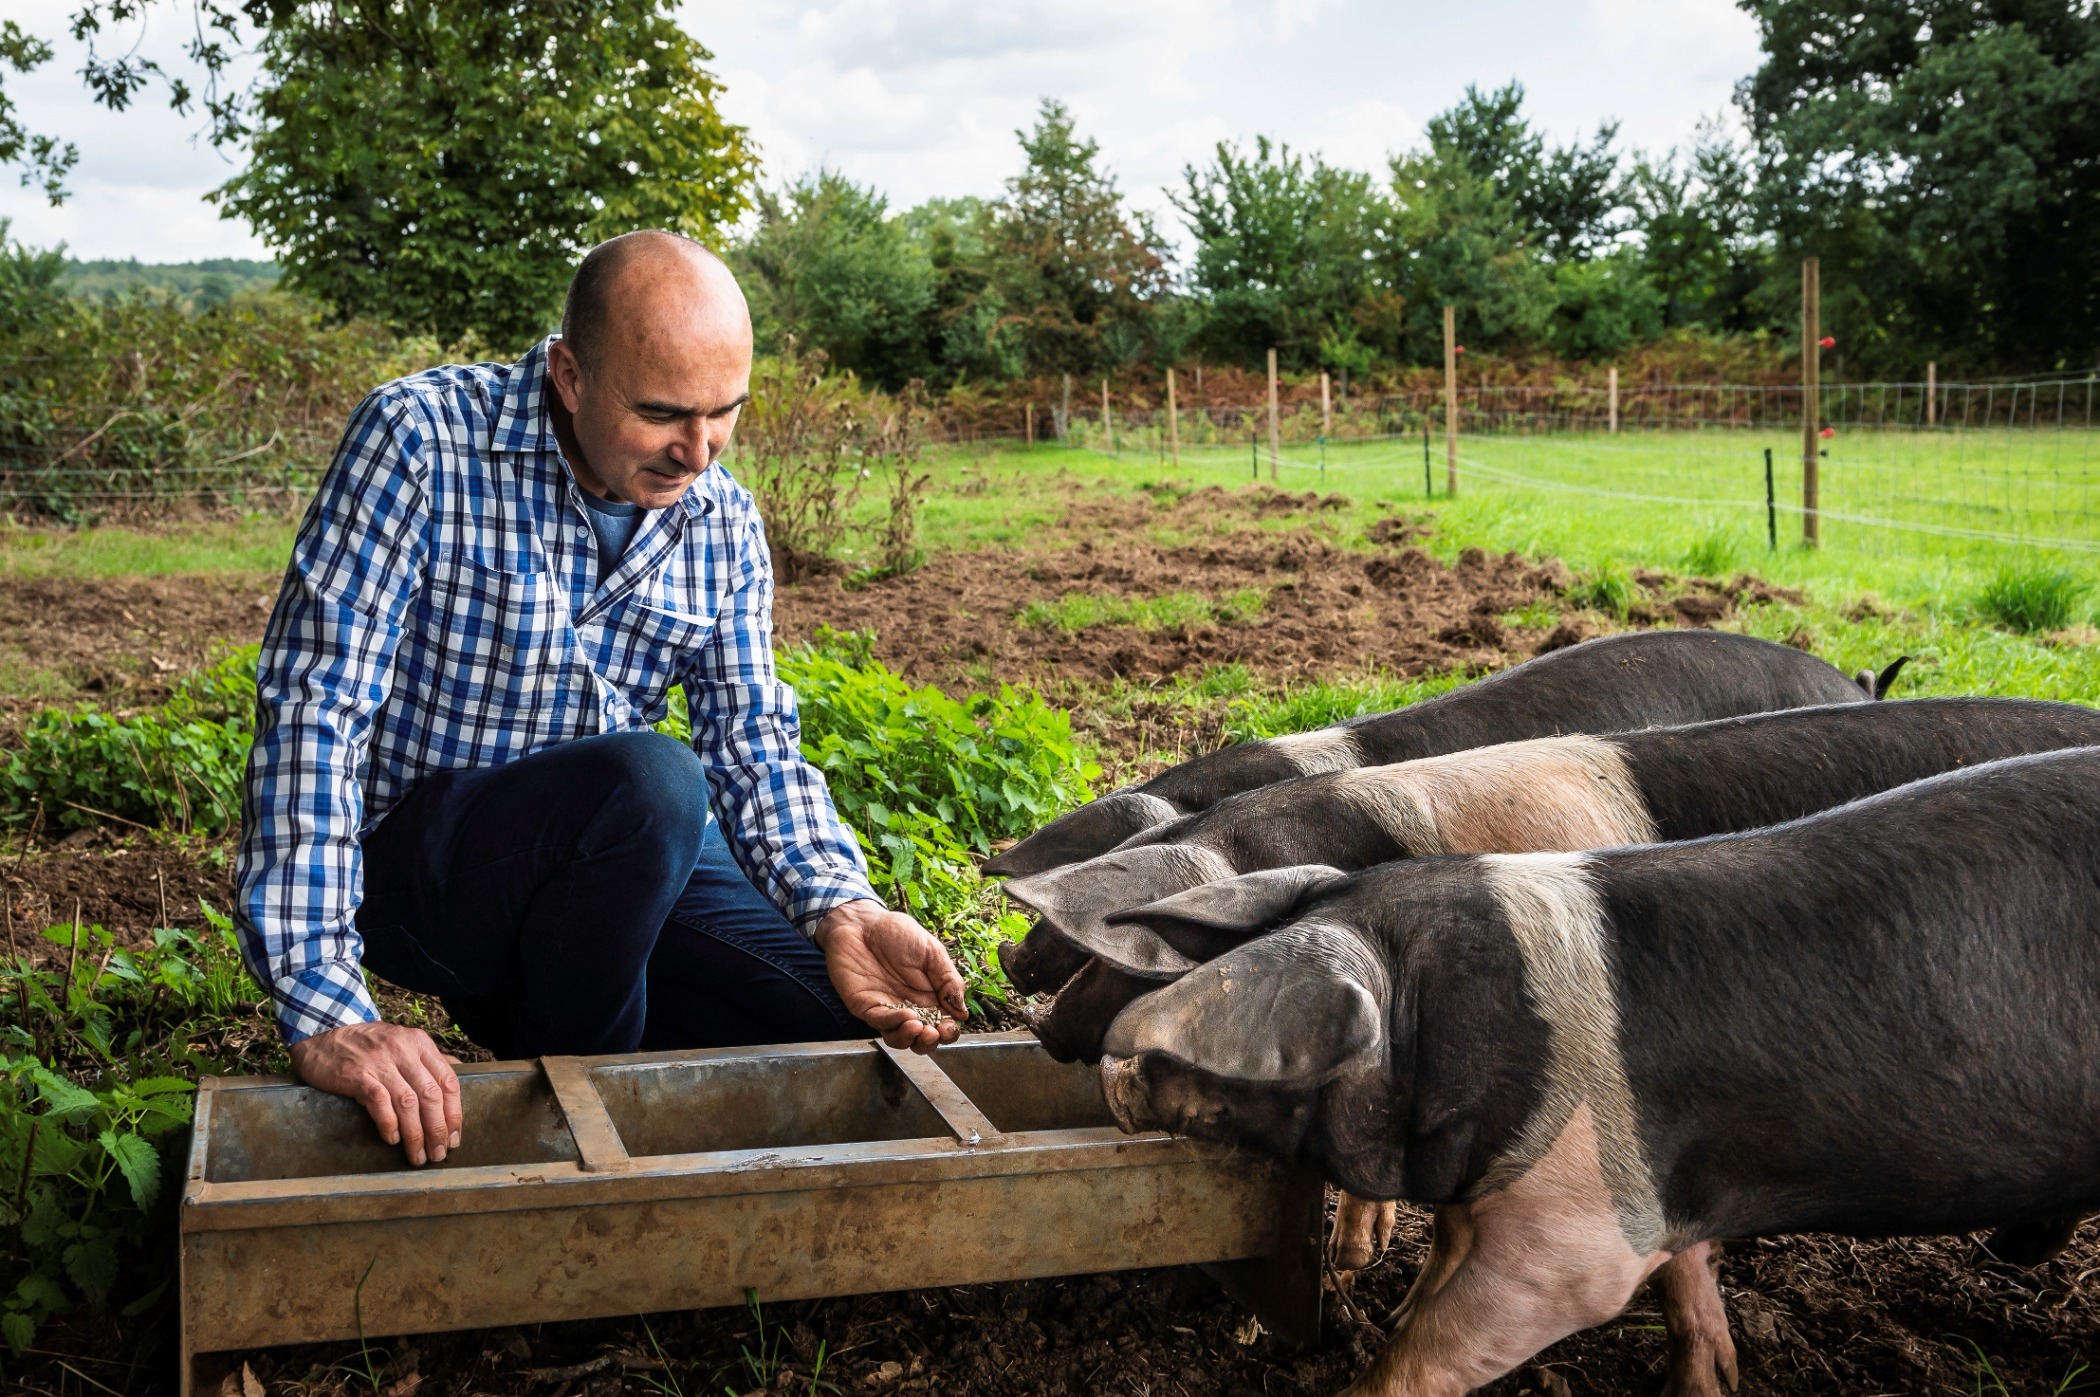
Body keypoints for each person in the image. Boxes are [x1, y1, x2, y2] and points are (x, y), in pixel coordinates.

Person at [235, 230, 966, 1167]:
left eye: (724, 414)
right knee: (655, 779)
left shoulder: (722, 520)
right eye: (661, 413)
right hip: (429, 864)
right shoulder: (422, 442)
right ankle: (583, 1103)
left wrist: (844, 908)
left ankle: (561, 1022)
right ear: (571, 376)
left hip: (603, 855)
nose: (696, 453)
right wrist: (323, 1003)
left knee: (843, 1017)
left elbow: (753, 744)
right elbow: (315, 706)